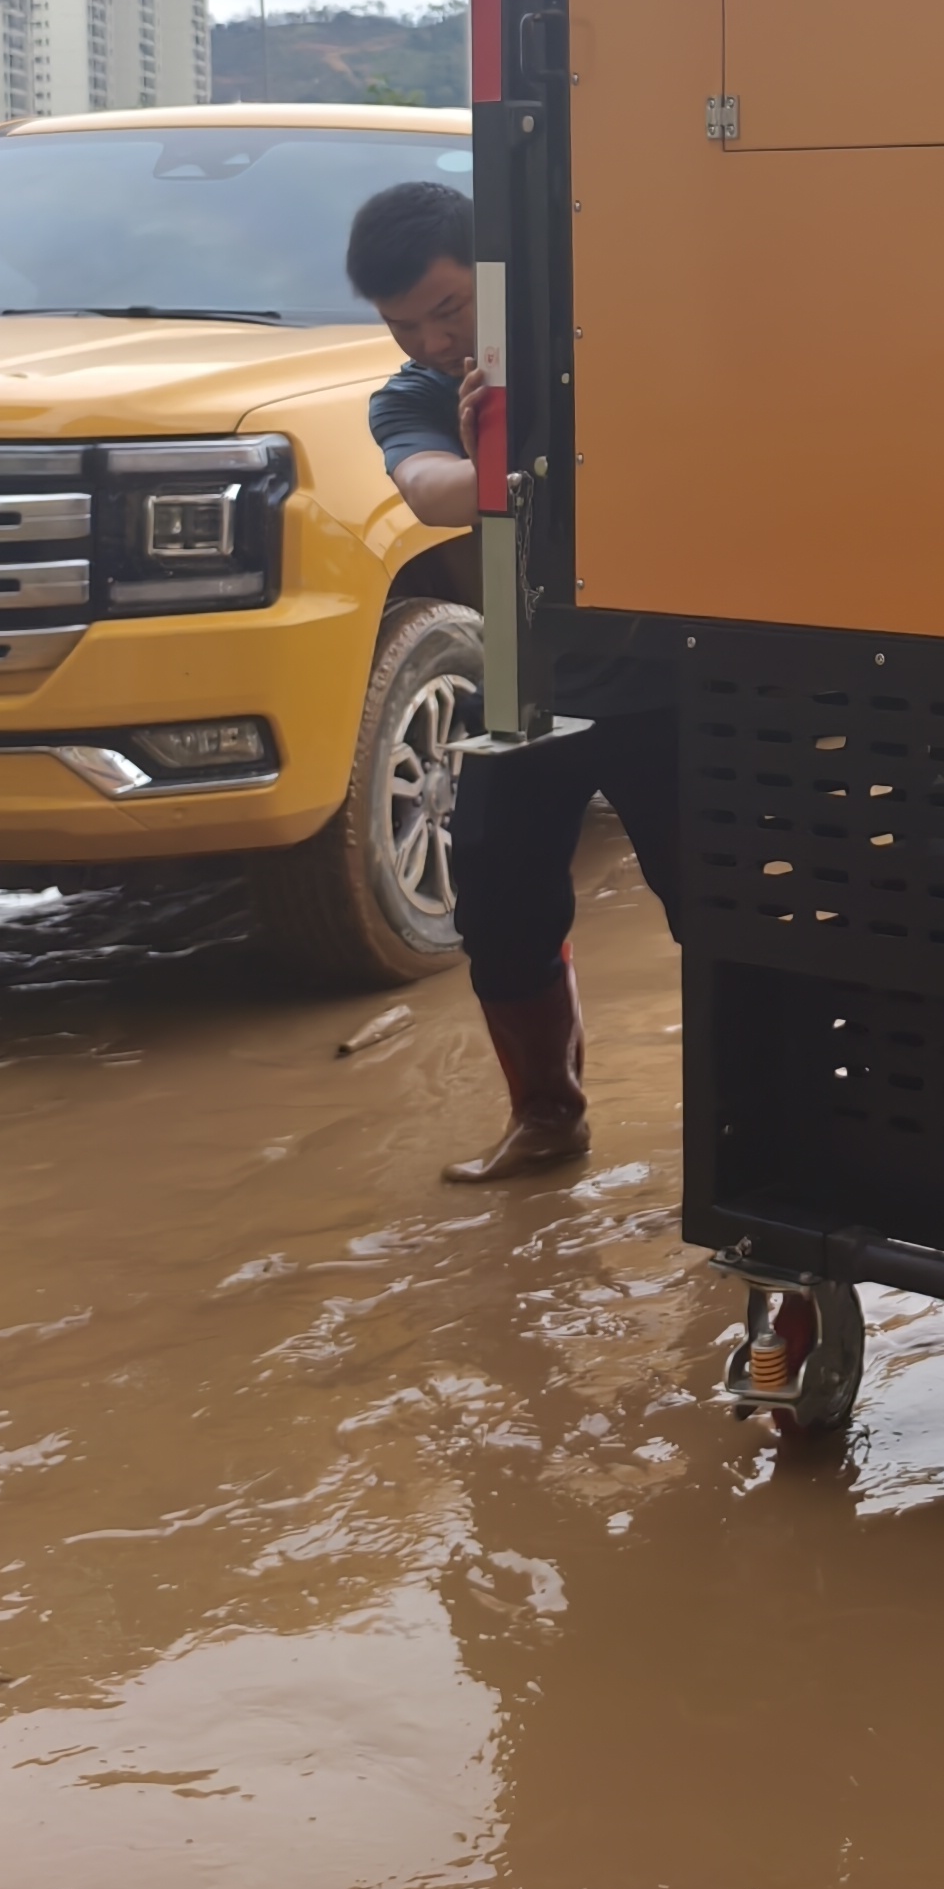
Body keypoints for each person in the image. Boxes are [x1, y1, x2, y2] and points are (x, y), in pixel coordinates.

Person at [348, 179, 685, 1185]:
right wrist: (499, 454)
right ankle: (548, 1116)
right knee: (495, 904)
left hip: (669, 678)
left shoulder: (600, 346)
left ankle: (749, 1130)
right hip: (529, 681)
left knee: (708, 906)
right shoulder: (416, 397)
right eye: (403, 324)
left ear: (494, 279)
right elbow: (430, 490)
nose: (429, 341)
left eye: (448, 311)